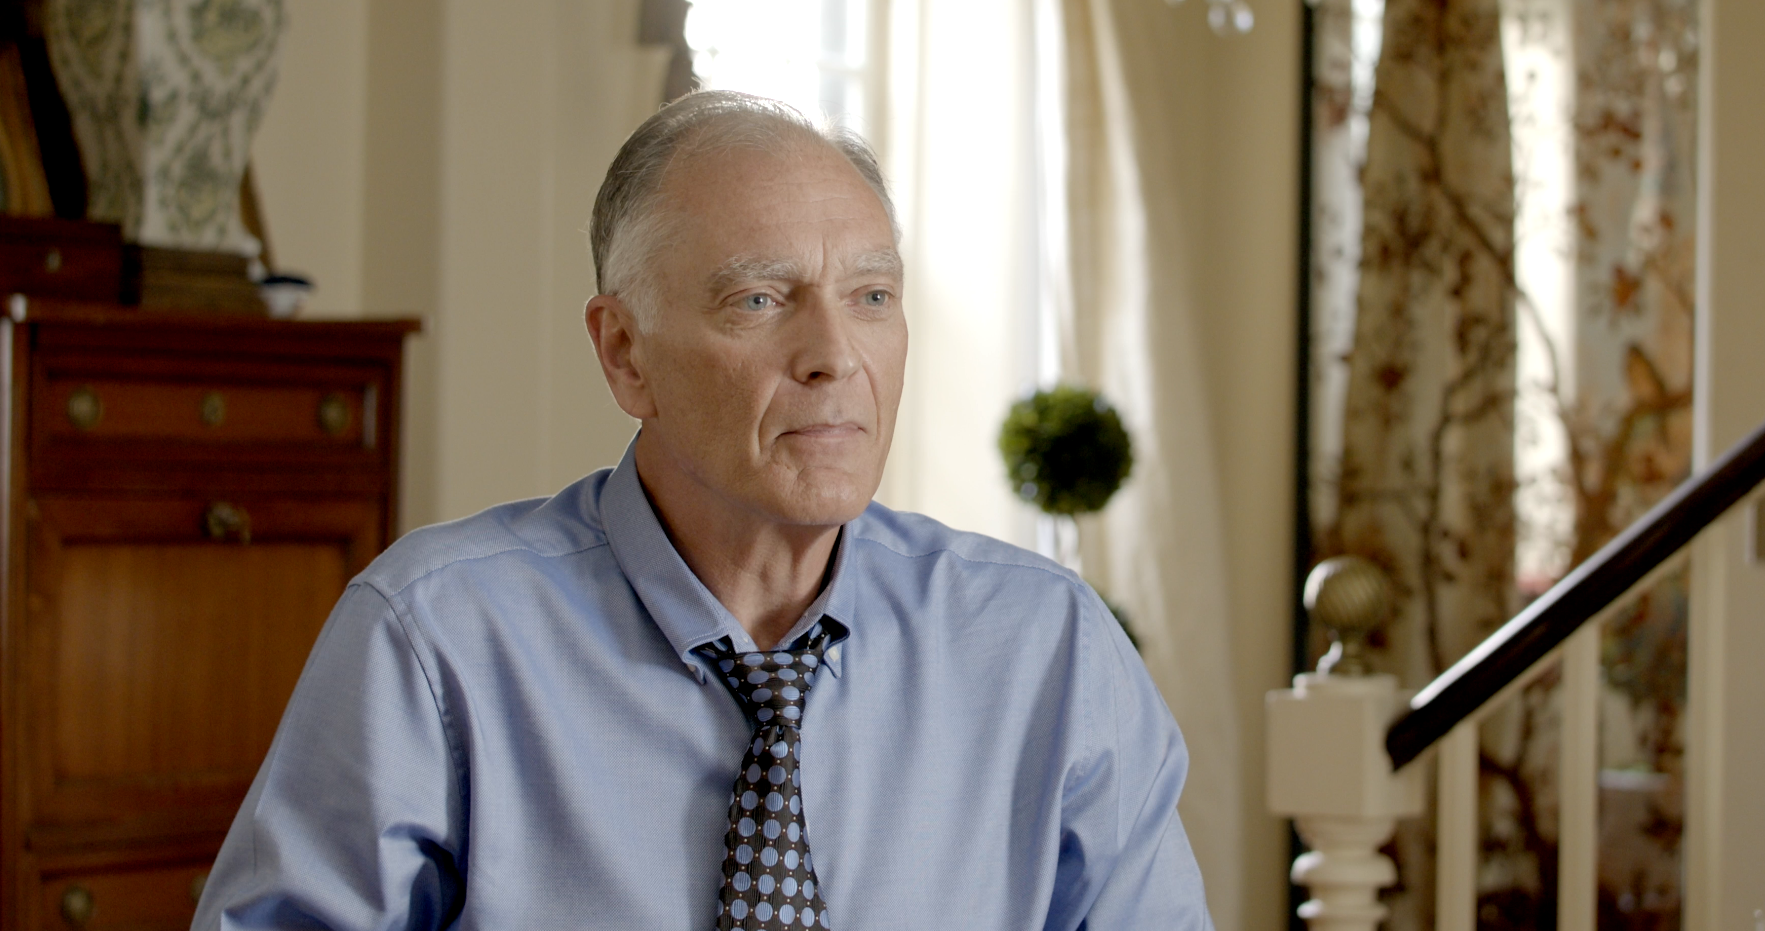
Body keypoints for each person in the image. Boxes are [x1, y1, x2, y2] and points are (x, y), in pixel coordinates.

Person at [191, 90, 1211, 930]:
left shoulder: (1047, 647)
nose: (834, 356)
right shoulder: (434, 640)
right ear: (623, 352)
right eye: (758, 300)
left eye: (871, 296)